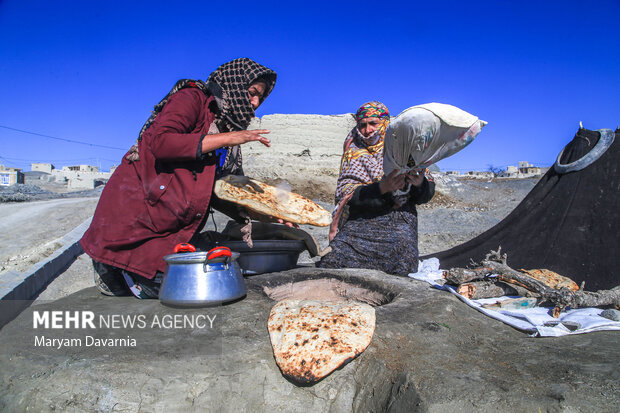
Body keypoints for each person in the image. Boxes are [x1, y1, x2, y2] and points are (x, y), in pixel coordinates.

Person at [80, 58, 279, 298]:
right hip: (137, 227)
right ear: (235, 84)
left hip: (170, 231)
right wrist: (230, 138)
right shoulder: (192, 98)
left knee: (220, 273)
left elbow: (220, 190)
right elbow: (161, 142)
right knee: (189, 288)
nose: (255, 103)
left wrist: (271, 213)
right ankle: (111, 269)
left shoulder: (224, 127)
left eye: (260, 98)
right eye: (251, 93)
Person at [318, 101, 435, 276]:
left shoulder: (406, 148)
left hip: (399, 221)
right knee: (332, 260)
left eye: (373, 123)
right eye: (362, 125)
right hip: (360, 222)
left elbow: (425, 195)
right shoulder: (353, 149)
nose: (367, 130)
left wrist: (420, 184)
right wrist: (381, 188)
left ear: (386, 123)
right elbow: (347, 194)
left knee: (404, 263)